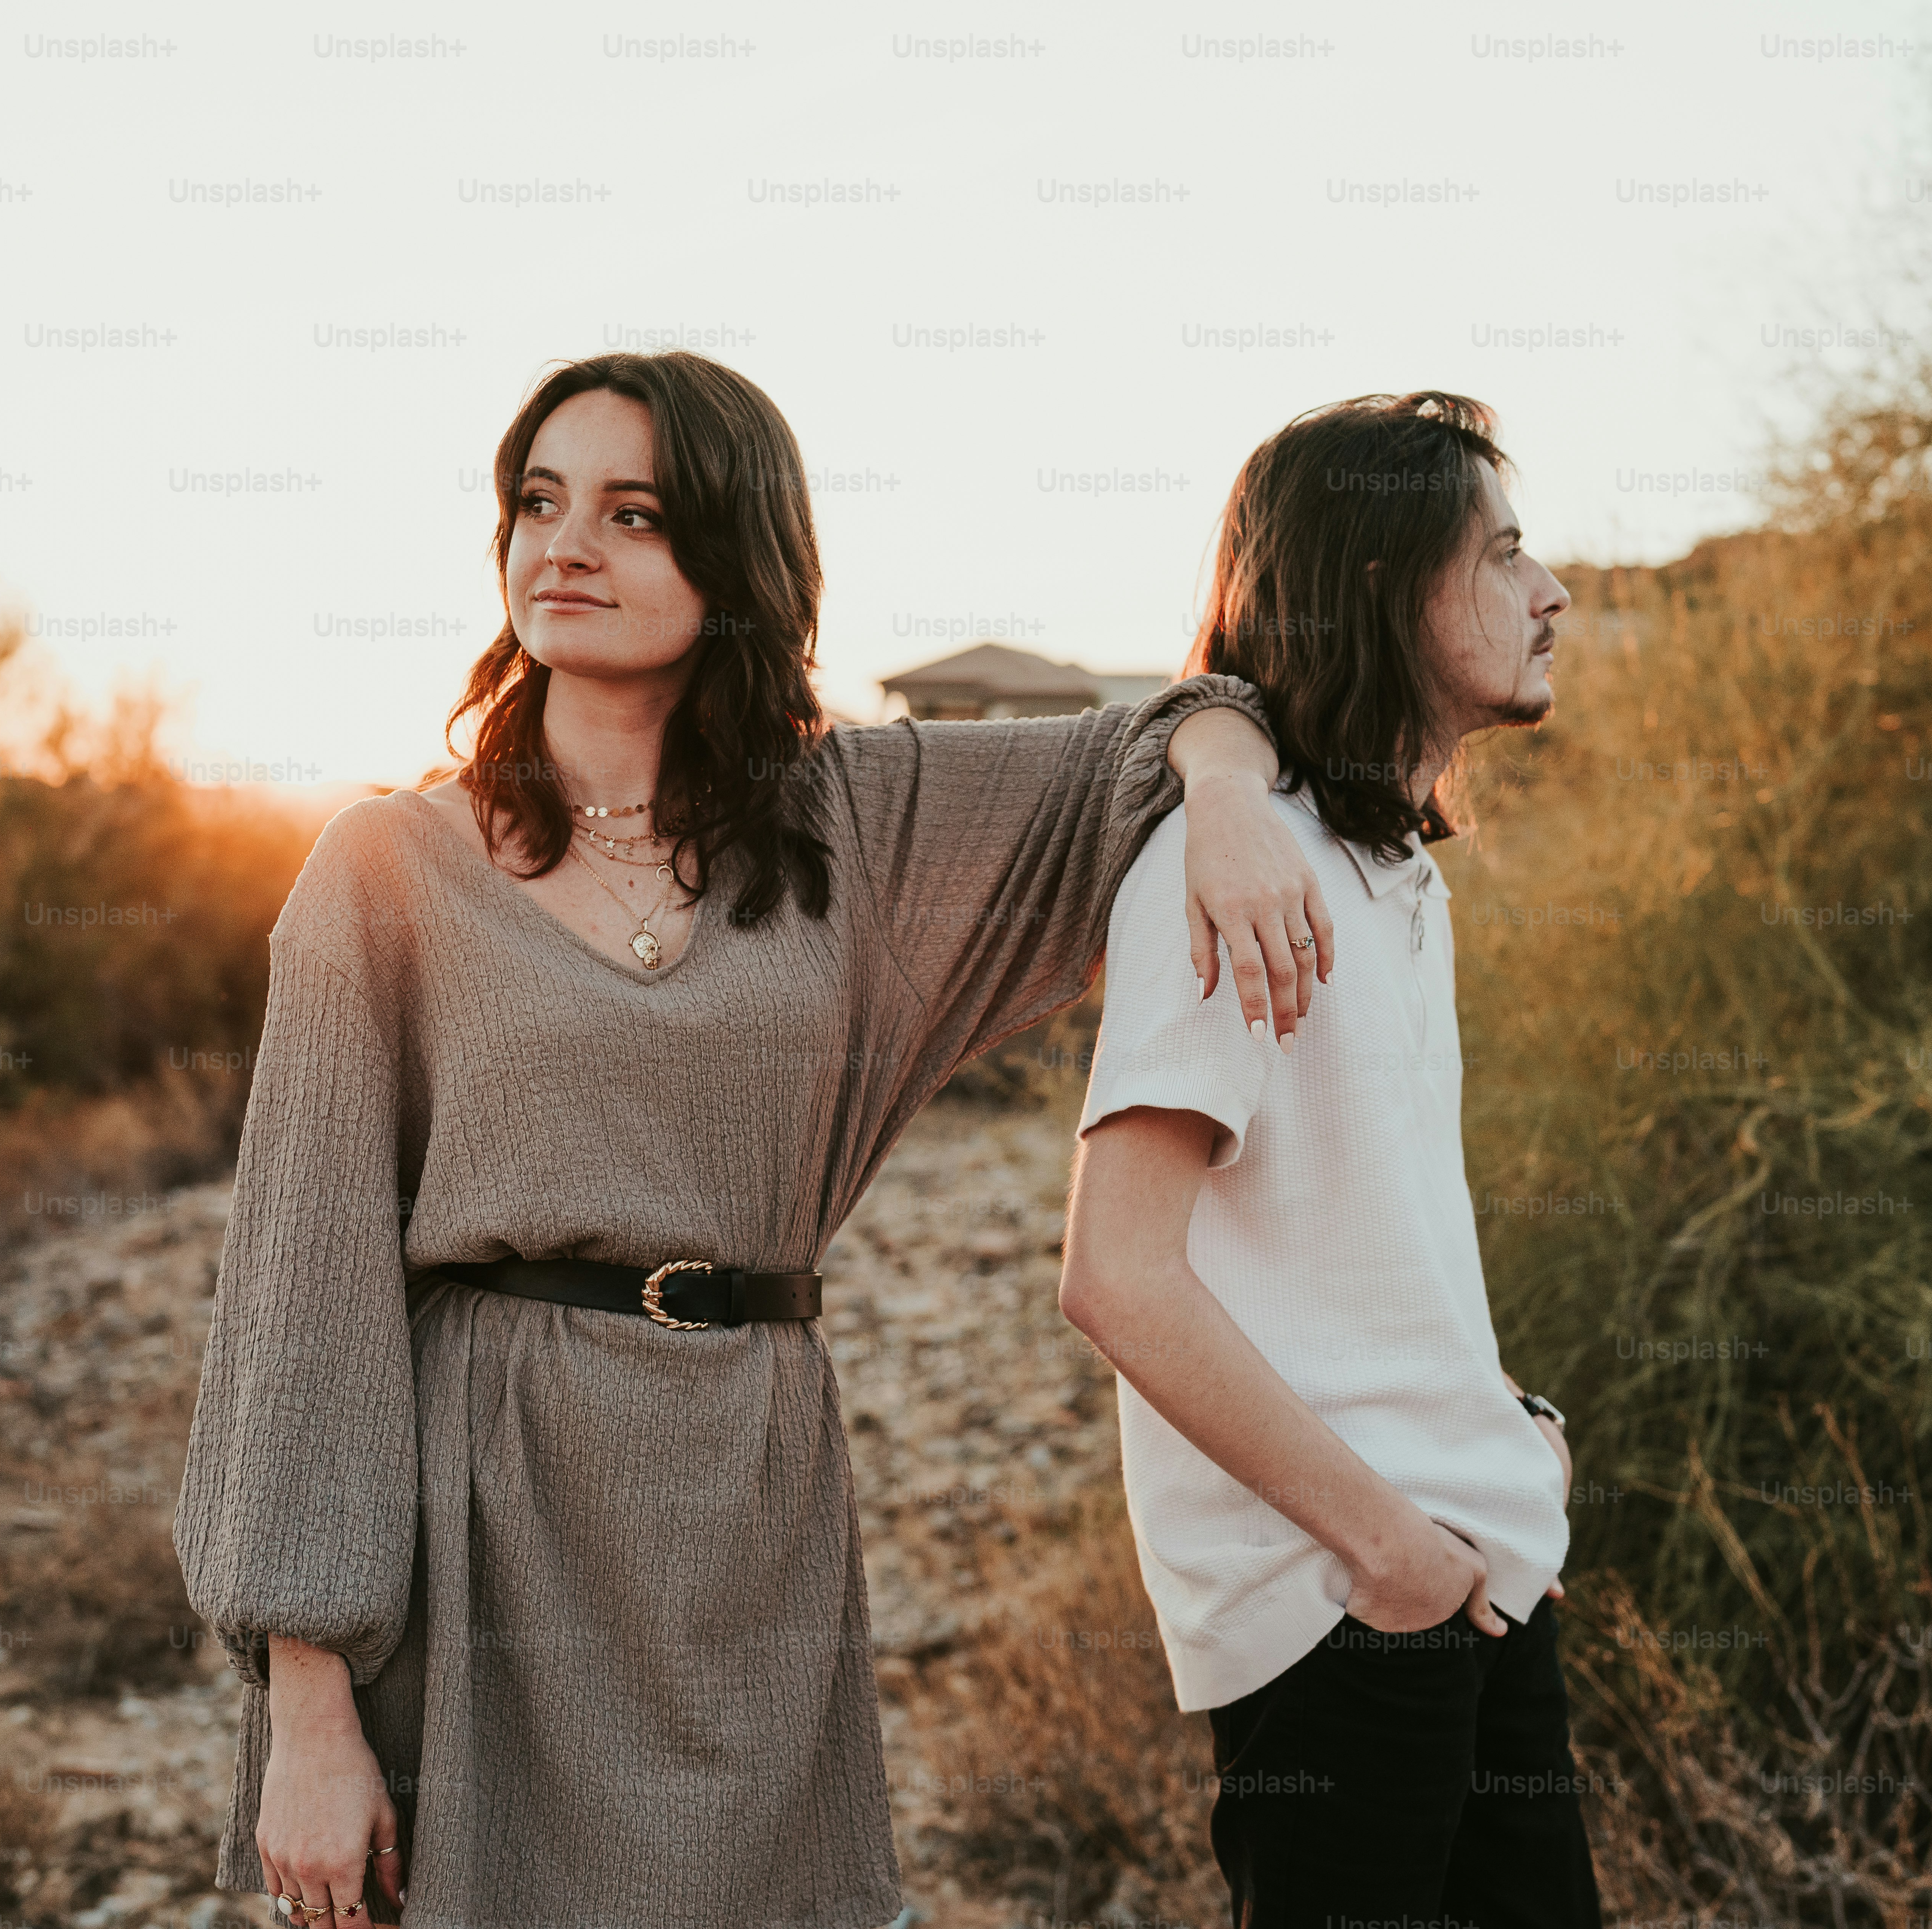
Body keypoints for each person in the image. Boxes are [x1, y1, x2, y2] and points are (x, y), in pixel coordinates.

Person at [171, 349, 1337, 1929]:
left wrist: (1226, 795)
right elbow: (300, 1291)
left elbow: (1159, 734)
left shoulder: (851, 822)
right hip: (490, 1502)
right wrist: (306, 1713)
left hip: (752, 1484)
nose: (563, 546)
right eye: (537, 500)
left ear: (738, 559)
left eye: (633, 514)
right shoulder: (385, 864)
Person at [1058, 393, 1599, 1924]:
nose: (1552, 591)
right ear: (1381, 587)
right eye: (1502, 558)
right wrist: (1389, 1552)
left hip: (1464, 1561)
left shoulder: (1383, 863)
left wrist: (1505, 1433)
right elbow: (1116, 1274)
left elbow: (1361, 1234)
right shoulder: (1235, 866)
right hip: (1349, 1611)